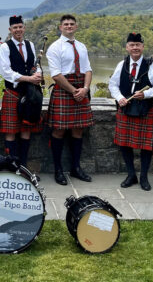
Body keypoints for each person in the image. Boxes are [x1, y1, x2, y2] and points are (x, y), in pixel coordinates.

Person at [108, 32, 153, 190]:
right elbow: (113, 85)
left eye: (138, 45)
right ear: (127, 47)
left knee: (146, 146)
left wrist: (145, 94)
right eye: (132, 45)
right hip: (126, 109)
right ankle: (131, 174)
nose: (135, 48)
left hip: (144, 109)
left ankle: (144, 177)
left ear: (142, 47)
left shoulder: (151, 65)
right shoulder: (122, 64)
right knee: (125, 144)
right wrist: (119, 97)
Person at [46, 14, 94, 185]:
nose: (69, 26)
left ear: (76, 26)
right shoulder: (54, 47)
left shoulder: (81, 46)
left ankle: (75, 168)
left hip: (81, 89)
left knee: (78, 130)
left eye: (72, 24)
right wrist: (75, 91)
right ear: (60, 27)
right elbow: (56, 75)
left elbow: (88, 69)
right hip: (65, 90)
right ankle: (58, 170)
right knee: (58, 130)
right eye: (65, 24)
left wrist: (85, 89)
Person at [0, 15, 44, 168]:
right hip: (13, 94)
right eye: (15, 28)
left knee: (26, 130)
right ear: (10, 30)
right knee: (10, 131)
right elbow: (5, 72)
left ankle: (23, 166)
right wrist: (27, 79)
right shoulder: (5, 46)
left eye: (20, 27)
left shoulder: (30, 44)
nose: (18, 30)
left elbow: (34, 66)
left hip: (29, 95)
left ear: (24, 28)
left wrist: (37, 73)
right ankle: (11, 166)